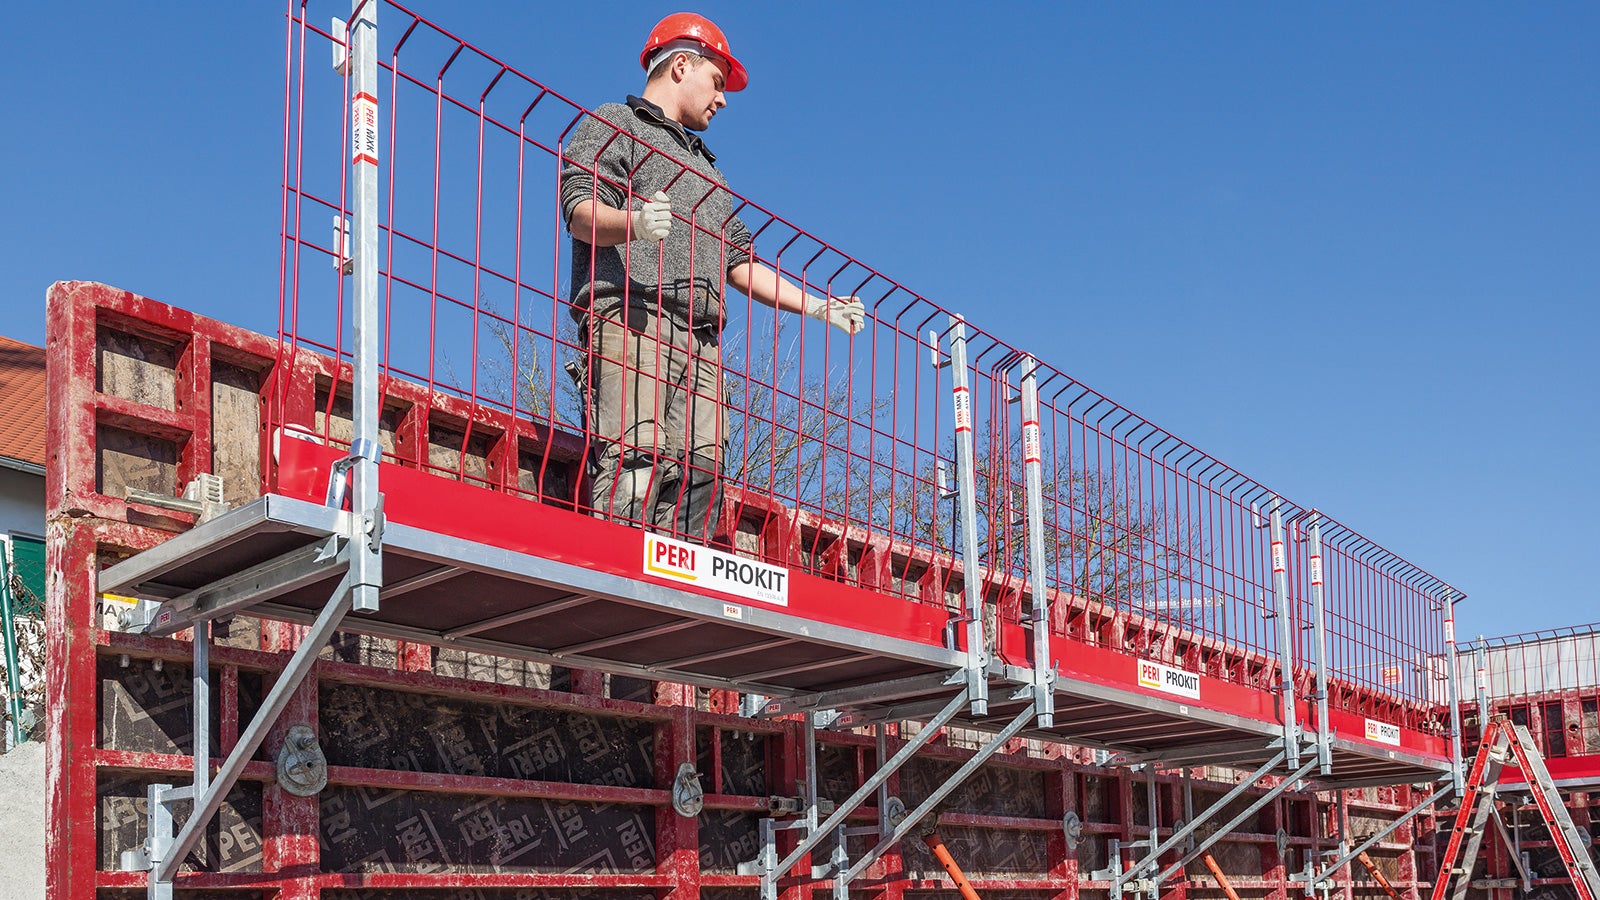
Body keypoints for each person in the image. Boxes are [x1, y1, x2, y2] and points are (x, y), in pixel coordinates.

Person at [559, 12, 865, 539]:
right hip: (632, 319)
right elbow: (578, 210)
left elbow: (739, 261)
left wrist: (817, 305)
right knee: (637, 458)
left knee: (703, 473)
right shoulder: (617, 123)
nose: (722, 99)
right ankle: (619, 563)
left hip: (701, 341)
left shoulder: (710, 173)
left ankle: (677, 581)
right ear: (681, 65)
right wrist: (633, 222)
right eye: (718, 83)